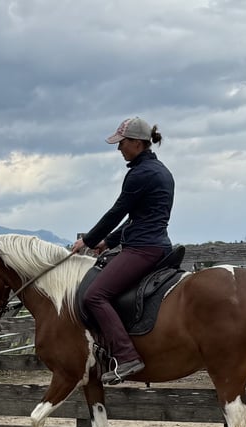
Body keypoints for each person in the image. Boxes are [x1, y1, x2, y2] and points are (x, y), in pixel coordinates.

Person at [70, 116, 174, 384]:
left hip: (142, 249)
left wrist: (88, 240)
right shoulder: (160, 171)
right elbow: (137, 219)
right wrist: (109, 242)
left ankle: (127, 356)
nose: (119, 148)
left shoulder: (140, 174)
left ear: (137, 143)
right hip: (158, 245)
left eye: (122, 143)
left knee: (94, 296)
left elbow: (117, 212)